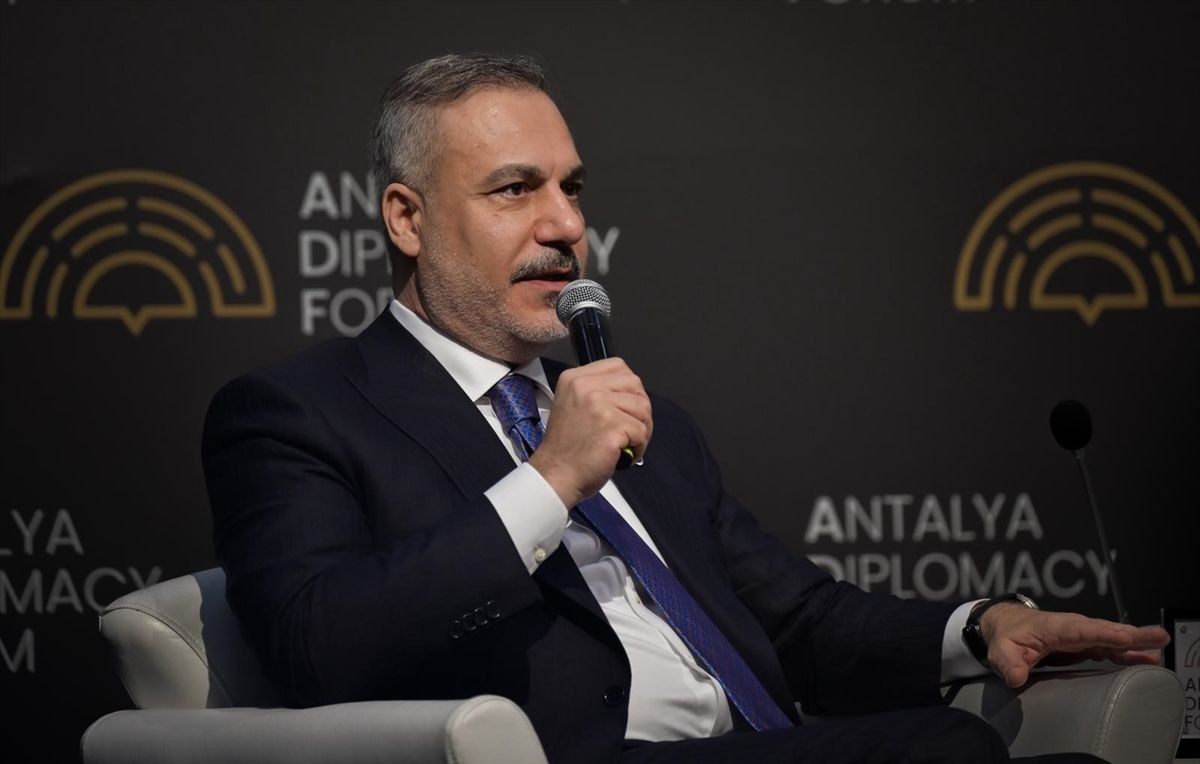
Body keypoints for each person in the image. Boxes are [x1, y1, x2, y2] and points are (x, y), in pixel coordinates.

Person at [201, 53, 1169, 764]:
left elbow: (796, 617)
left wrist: (980, 625)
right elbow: (318, 644)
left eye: (573, 188)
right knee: (946, 750)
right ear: (407, 218)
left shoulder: (633, 416)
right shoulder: (298, 414)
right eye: (515, 190)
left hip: (756, 743)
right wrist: (549, 480)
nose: (567, 224)